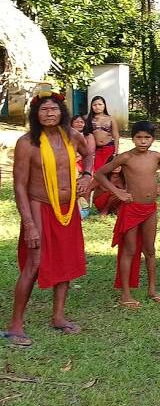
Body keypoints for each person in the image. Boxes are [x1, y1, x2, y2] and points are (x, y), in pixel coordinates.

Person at [6, 92, 94, 346]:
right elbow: (19, 186)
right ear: (35, 114)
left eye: (53, 109)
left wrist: (87, 174)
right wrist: (30, 225)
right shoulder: (27, 143)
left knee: (66, 262)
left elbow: (88, 153)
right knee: (34, 263)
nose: (49, 114)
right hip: (39, 207)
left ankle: (58, 317)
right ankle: (15, 326)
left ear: (61, 112)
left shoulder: (71, 135)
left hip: (67, 210)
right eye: (43, 110)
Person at [94, 121, 160, 308]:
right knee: (129, 250)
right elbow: (100, 174)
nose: (143, 141)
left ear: (153, 139)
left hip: (150, 208)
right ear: (133, 138)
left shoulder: (156, 156)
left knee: (150, 250)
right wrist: (117, 192)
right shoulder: (125, 157)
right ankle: (125, 293)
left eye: (147, 138)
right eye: (139, 137)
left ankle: (152, 290)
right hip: (132, 208)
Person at [83, 95, 119, 172]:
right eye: (94, 105)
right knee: (96, 172)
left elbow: (116, 136)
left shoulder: (111, 119)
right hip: (94, 150)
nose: (97, 107)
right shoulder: (87, 119)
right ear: (91, 106)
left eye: (100, 104)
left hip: (109, 148)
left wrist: (115, 152)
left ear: (104, 105)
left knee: (107, 172)